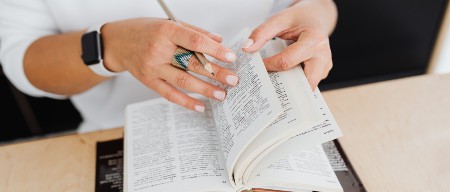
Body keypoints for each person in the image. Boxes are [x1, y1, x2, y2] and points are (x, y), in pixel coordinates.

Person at [0, 0, 337, 132]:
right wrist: (110, 47)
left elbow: (314, 5)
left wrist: (316, 19)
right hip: (123, 135)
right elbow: (23, 59)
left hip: (274, 122)